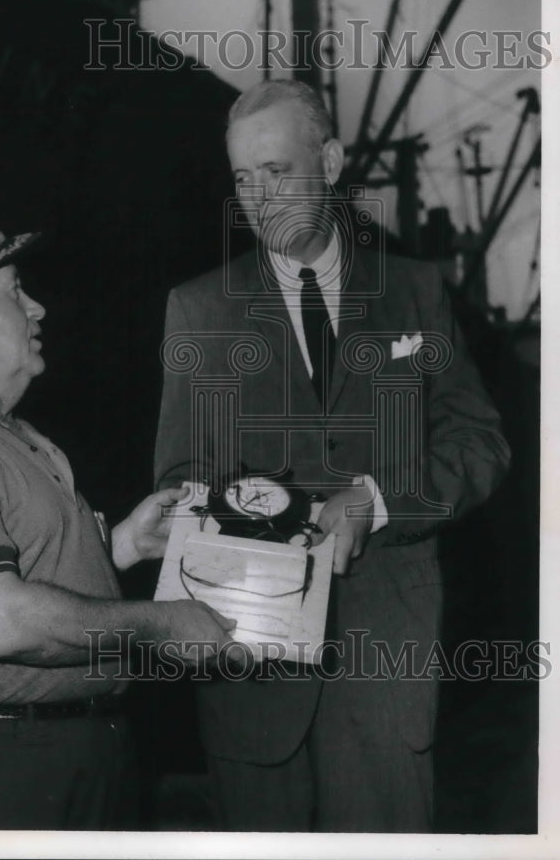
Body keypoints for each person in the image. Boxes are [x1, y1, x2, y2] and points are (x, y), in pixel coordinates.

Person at [154, 80, 510, 832]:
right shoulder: (198, 309)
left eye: (277, 171)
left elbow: (480, 443)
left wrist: (376, 500)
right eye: (243, 178)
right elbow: (179, 480)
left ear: (333, 161)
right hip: (250, 671)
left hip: (386, 675)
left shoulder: (414, 294)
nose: (258, 197)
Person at [0, 181, 236, 831]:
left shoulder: (7, 434)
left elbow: (16, 569)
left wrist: (124, 545)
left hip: (67, 756)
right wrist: (167, 624)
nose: (38, 308)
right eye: (13, 291)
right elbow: (2, 619)